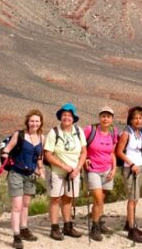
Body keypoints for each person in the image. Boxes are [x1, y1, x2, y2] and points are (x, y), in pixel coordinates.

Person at [2, 109, 45, 249]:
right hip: (16, 173)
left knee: (26, 205)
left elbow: (39, 156)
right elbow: (7, 148)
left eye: (37, 121)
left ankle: (24, 228)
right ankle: (16, 235)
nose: (34, 123)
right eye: (32, 121)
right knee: (16, 206)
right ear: (27, 122)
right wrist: (5, 154)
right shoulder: (19, 135)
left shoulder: (42, 138)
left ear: (41, 122)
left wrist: (40, 169)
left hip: (31, 175)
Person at [43, 103, 87, 241]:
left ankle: (67, 226)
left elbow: (84, 152)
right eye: (64, 115)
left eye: (69, 115)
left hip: (74, 172)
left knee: (68, 198)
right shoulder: (54, 132)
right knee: (56, 198)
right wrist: (63, 166)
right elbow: (48, 154)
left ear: (74, 118)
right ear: (60, 117)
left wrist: (78, 168)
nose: (66, 117)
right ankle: (54, 228)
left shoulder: (79, 132)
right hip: (57, 171)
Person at [83, 106, 119, 241]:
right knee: (98, 199)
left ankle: (98, 221)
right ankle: (95, 227)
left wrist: (114, 168)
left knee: (101, 200)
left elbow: (112, 153)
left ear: (112, 119)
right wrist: (85, 158)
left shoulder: (113, 132)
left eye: (108, 116)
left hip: (107, 169)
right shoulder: (90, 130)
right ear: (99, 117)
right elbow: (82, 147)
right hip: (93, 169)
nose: (106, 119)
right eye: (103, 116)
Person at [115, 106, 142, 243]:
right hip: (130, 169)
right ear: (131, 119)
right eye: (135, 118)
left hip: (139, 167)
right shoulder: (126, 133)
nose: (138, 120)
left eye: (140, 118)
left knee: (136, 198)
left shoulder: (140, 132)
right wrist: (131, 164)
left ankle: (129, 224)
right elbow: (119, 152)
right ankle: (132, 230)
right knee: (132, 199)